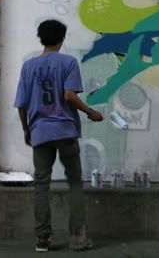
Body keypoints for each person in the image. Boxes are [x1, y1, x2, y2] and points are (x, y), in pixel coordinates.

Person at [15, 19, 104, 252]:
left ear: (41, 38)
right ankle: (78, 237)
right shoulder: (68, 63)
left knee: (41, 184)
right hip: (65, 131)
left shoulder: (28, 67)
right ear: (62, 39)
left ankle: (42, 238)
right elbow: (69, 95)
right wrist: (91, 112)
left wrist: (26, 129)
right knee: (74, 182)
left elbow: (21, 105)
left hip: (40, 132)